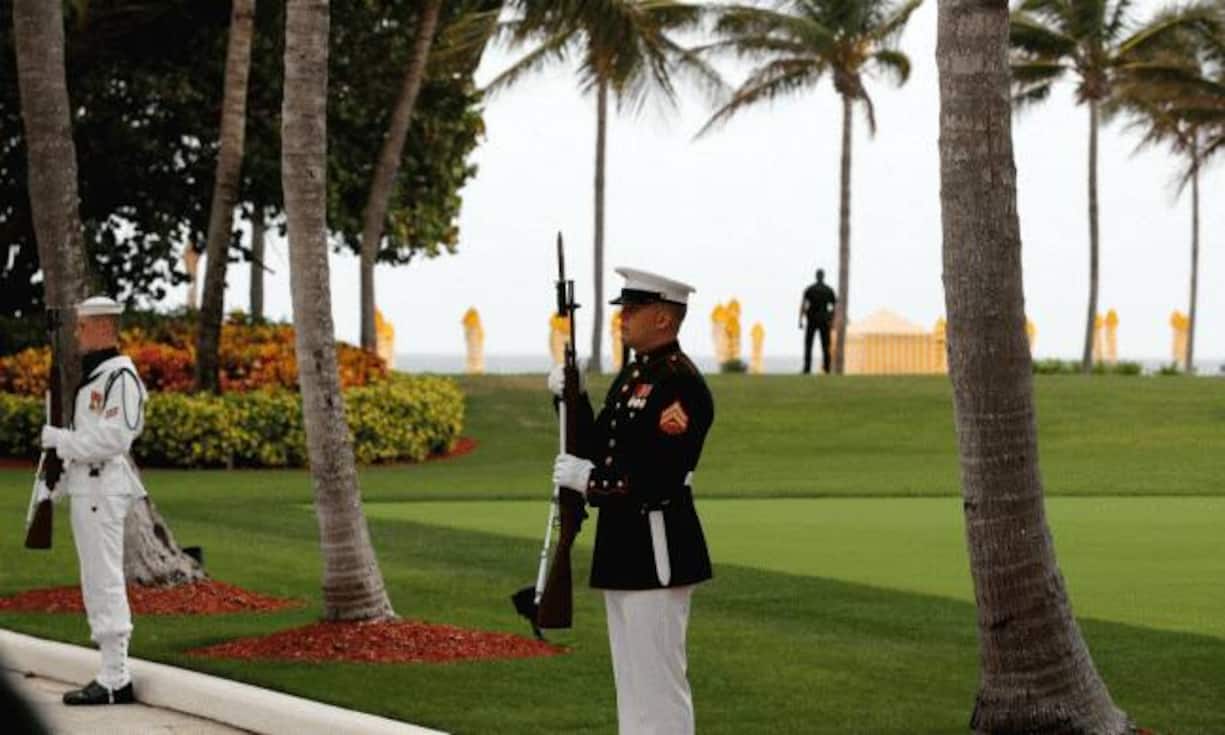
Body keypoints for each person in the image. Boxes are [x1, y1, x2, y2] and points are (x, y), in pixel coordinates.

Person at [550, 267, 714, 735]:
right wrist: (572, 398)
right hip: (623, 545)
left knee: (658, 682)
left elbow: (657, 478)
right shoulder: (634, 376)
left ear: (663, 318)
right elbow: (600, 443)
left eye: (634, 309)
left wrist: (591, 482)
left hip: (657, 544)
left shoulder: (679, 385)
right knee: (632, 681)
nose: (623, 318)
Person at [39, 295, 148, 706]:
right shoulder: (97, 377)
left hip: (104, 489)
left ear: (103, 328)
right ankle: (110, 672)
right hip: (88, 488)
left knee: (104, 581)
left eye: (84, 327)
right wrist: (54, 480)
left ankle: (116, 677)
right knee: (94, 581)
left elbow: (115, 438)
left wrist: (61, 441)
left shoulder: (120, 379)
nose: (78, 335)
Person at [799, 268, 837, 374]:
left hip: (812, 319)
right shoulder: (829, 290)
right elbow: (834, 307)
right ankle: (827, 368)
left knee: (808, 345)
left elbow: (803, 305)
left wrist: (800, 321)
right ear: (823, 276)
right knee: (826, 345)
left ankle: (807, 368)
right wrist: (832, 320)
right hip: (824, 320)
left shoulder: (809, 289)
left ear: (816, 276)